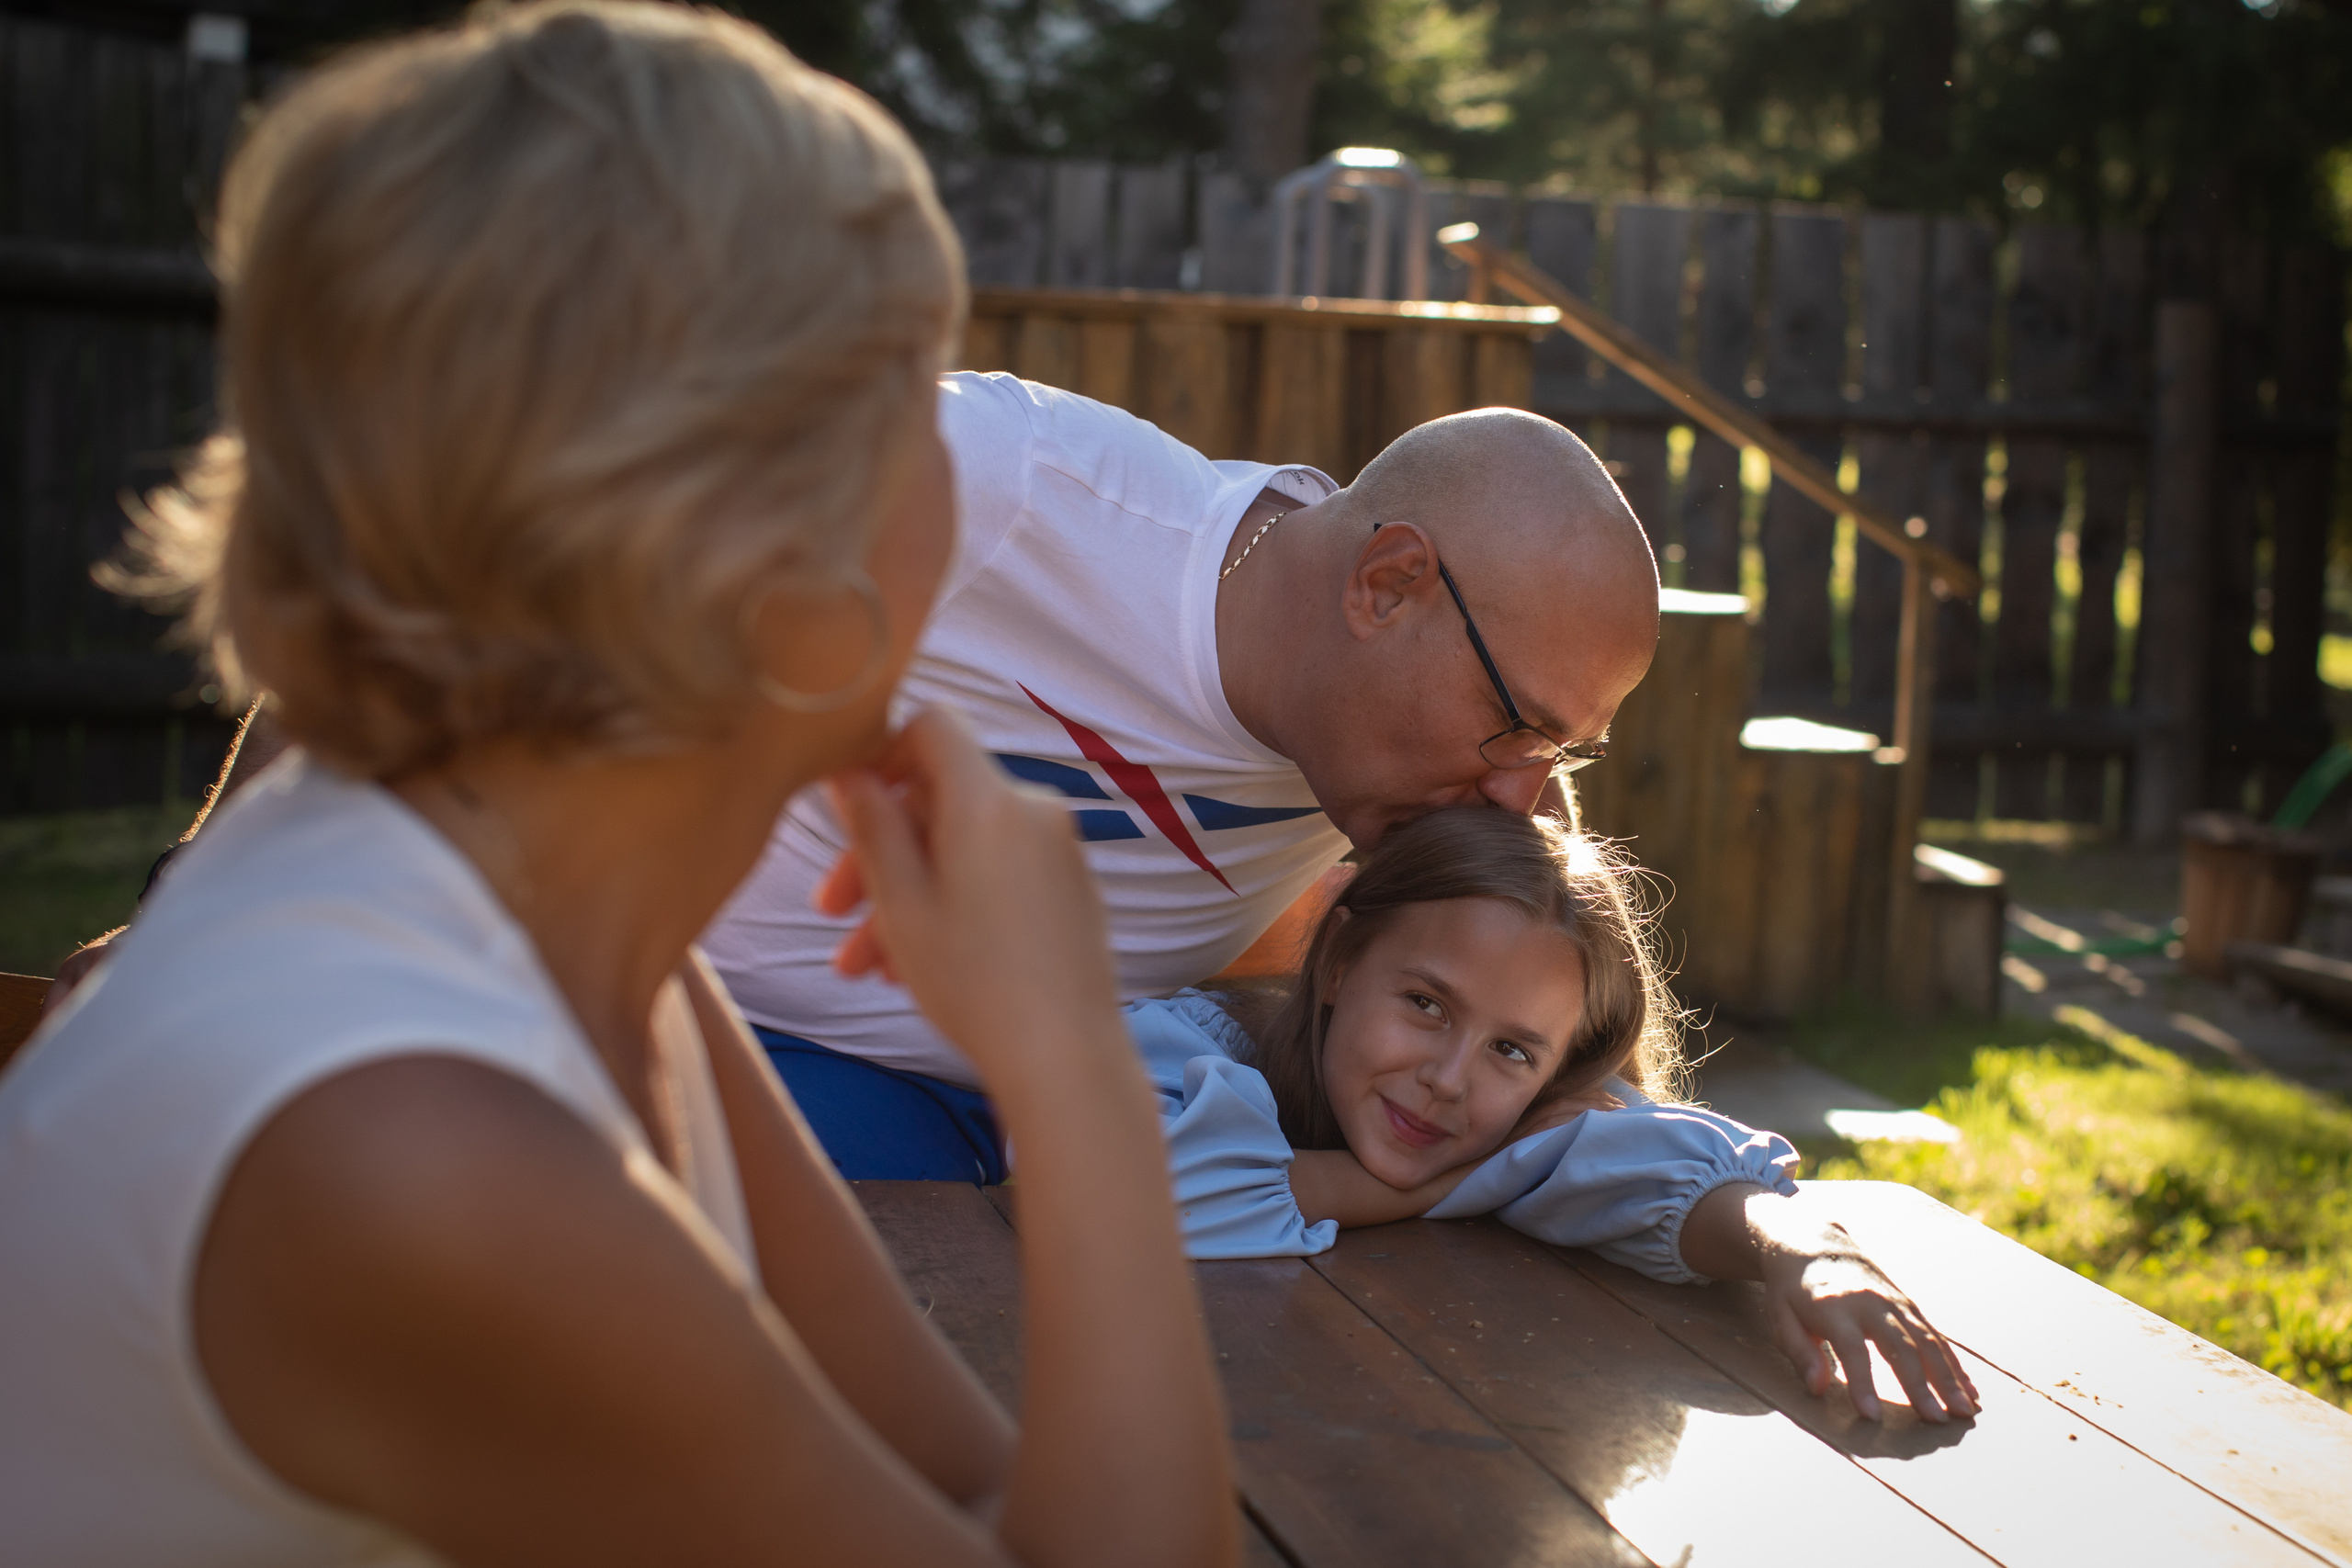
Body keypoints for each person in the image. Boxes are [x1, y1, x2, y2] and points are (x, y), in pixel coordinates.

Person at [0, 7, 1235, 1565]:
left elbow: (969, 1498)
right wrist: (1068, 1050)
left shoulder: (550, 920)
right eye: (918, 399)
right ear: (789, 574)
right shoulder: (411, 1147)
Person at [703, 373, 1663, 1181]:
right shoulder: (996, 482)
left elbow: (1573, 1059)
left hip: (1062, 1133)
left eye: (1559, 748)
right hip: (716, 1042)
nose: (1521, 795)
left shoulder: (1455, 771)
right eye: (1516, 725)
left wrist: (1754, 1222)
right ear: (1387, 583)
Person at [1130, 807, 1982, 1425]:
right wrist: (1449, 1178)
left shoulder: (1527, 1121)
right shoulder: (1183, 1050)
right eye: (1426, 1002)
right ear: (1341, 962)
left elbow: (1651, 1163)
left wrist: (1807, 1247)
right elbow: (1141, 1192)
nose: (1449, 1079)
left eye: (1512, 1050)